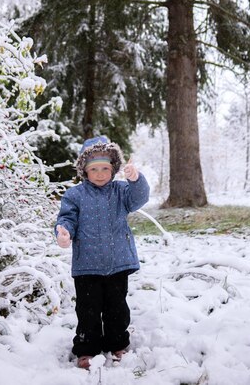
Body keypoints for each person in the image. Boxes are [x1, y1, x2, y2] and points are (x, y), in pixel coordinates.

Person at [55, 135, 150, 370]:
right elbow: (67, 218)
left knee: (117, 309)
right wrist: (64, 232)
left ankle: (117, 344)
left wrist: (136, 180)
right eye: (94, 168)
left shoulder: (120, 191)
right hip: (87, 266)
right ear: (84, 170)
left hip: (118, 263)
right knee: (88, 311)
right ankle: (87, 349)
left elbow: (139, 198)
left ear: (114, 169)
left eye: (105, 168)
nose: (99, 174)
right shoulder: (75, 195)